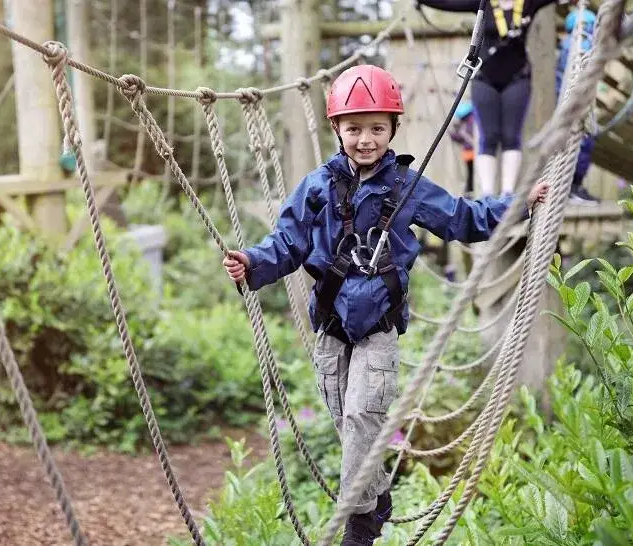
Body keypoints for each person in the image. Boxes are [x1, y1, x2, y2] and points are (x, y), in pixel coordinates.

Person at [221, 64, 549, 546]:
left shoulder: (406, 188)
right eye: (354, 129)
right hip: (331, 324)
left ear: (393, 129)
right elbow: (287, 242)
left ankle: (357, 524)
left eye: (377, 128)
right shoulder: (317, 187)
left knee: (362, 418)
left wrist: (520, 203)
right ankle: (376, 500)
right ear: (337, 130)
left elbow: (464, 218)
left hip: (378, 324)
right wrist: (251, 262)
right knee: (348, 425)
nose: (366, 140)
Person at [416, 0, 562, 197]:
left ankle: (508, 192)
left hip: (518, 77)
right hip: (484, 77)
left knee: (511, 136)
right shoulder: (483, 2)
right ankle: (486, 194)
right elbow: (448, 3)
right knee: (488, 137)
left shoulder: (529, 2)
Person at [557, 7, 601, 205]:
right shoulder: (580, 45)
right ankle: (573, 188)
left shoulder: (569, 45)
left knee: (581, 140)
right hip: (576, 101)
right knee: (583, 140)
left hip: (571, 100)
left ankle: (571, 187)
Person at [449, 101, 478, 195]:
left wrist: (453, 134)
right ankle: (470, 189)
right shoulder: (474, 120)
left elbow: (461, 138)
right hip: (472, 152)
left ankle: (470, 190)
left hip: (470, 152)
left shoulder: (467, 123)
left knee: (471, 173)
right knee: (472, 172)